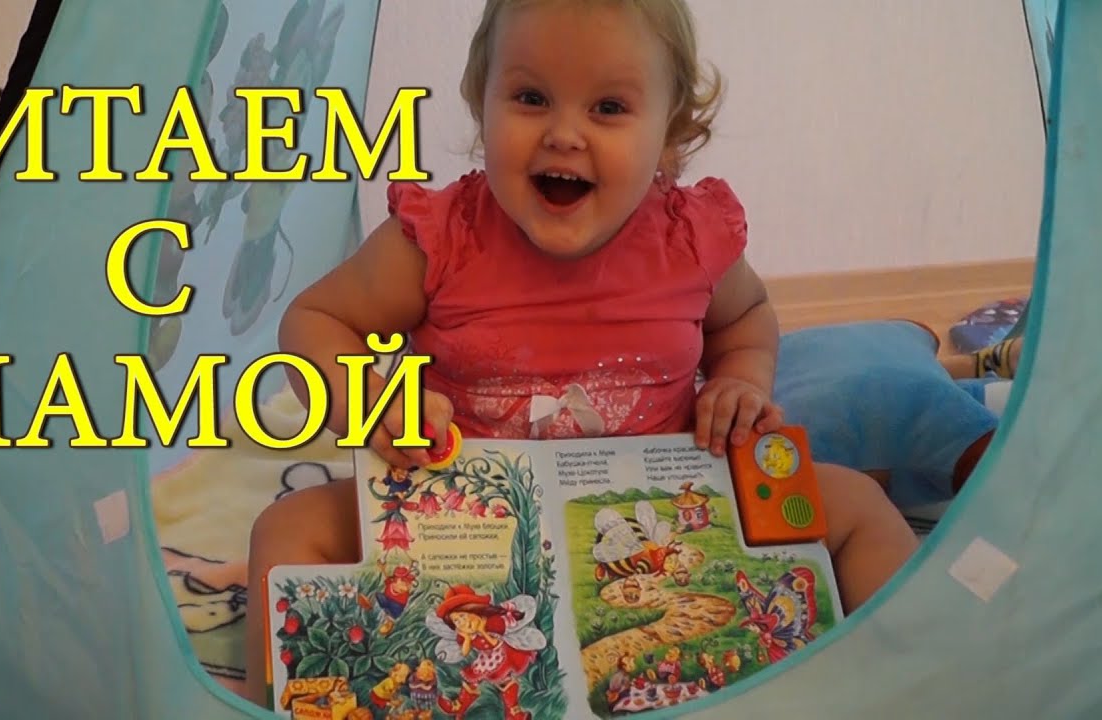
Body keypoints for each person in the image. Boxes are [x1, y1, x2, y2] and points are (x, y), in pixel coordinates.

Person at [243, 0, 919, 703]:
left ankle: (922, 684)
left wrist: (741, 380)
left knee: (857, 504)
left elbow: (745, 318)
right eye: (530, 98)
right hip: (459, 527)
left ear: (671, 133)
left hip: (658, 530)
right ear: (481, 99)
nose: (564, 134)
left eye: (609, 108)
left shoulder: (690, 239)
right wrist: (373, 397)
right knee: (288, 528)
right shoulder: (440, 238)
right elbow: (315, 320)